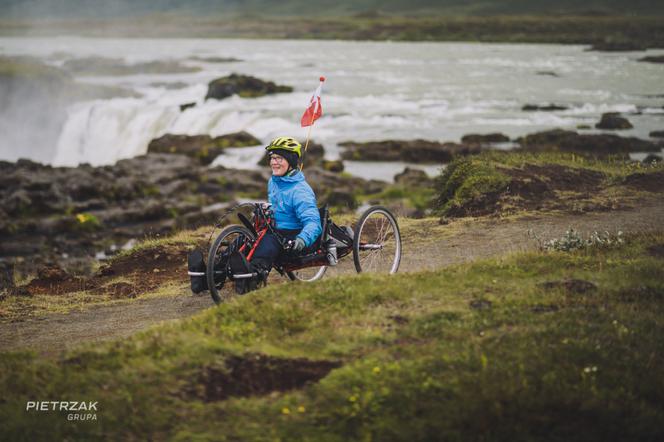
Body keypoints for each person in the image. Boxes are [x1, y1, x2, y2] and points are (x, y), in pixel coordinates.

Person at [230, 136, 322, 293]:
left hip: (293, 235)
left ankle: (251, 278)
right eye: (272, 158)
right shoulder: (273, 181)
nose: (274, 162)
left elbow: (314, 223)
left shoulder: (300, 191)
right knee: (242, 240)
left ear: (291, 161)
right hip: (273, 228)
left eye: (279, 158)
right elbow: (279, 207)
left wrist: (301, 239)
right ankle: (212, 271)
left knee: (267, 244)